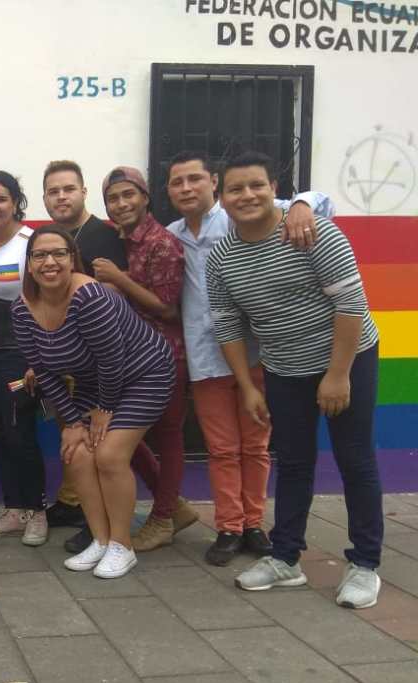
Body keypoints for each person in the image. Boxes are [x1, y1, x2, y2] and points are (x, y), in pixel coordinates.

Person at [207, 151, 382, 608]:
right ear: (221, 197)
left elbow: (351, 304)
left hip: (348, 359)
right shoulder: (221, 257)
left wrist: (338, 375)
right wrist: (248, 387)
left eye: (256, 185)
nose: (247, 195)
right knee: (294, 462)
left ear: (273, 189)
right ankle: (285, 558)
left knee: (355, 460)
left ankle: (365, 563)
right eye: (236, 188)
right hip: (284, 369)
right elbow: (227, 324)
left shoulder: (313, 232)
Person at [166, 149, 333, 566]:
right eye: (177, 182)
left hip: (255, 353)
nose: (186, 188)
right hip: (205, 356)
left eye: (194, 179)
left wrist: (301, 203)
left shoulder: (238, 215)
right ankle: (229, 527)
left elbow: (321, 203)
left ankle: (254, 524)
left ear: (213, 184)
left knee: (257, 445)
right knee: (221, 448)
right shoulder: (171, 236)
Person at [13, 225, 175, 578]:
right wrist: (72, 423)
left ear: (73, 259)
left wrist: (105, 408)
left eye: (59, 253)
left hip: (144, 373)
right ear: (29, 264)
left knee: (109, 455)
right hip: (94, 381)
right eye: (40, 255)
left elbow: (112, 358)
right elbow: (43, 371)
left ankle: (122, 545)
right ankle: (100, 540)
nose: (50, 262)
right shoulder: (21, 310)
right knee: (76, 453)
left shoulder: (89, 296)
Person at [100, 166, 197, 552]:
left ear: (144, 197)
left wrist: (119, 279)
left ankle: (162, 519)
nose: (121, 204)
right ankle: (174, 507)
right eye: (113, 198)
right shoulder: (117, 241)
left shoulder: (162, 243)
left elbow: (168, 308)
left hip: (165, 354)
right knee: (119, 433)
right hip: (128, 355)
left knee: (168, 435)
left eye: (129, 195)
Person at [40, 160, 129, 541]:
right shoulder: (55, 238)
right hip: (67, 359)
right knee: (72, 436)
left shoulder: (102, 237)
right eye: (53, 191)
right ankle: (73, 501)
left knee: (95, 441)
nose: (61, 197)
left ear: (83, 192)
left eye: (68, 189)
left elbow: (115, 295)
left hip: (98, 361)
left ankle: (98, 526)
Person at [0, 171, 48, 546]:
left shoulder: (30, 244)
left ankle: (38, 511)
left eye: (1, 198)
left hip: (20, 354)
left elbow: (46, 302)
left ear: (16, 202)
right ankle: (14, 510)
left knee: (21, 431)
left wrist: (38, 360)